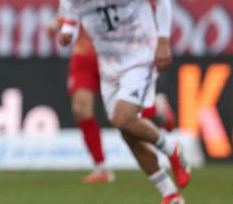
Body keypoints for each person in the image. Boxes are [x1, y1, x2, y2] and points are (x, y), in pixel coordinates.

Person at [57, 0, 190, 204]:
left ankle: (173, 149)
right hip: (108, 63)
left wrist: (163, 40)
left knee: (123, 118)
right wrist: (67, 32)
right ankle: (170, 194)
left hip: (139, 54)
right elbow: (71, 14)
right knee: (128, 132)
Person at [48, 19, 177, 184]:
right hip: (83, 56)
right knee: (81, 108)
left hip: (113, 57)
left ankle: (157, 111)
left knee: (127, 117)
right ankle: (100, 167)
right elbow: (68, 7)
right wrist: (57, 23)